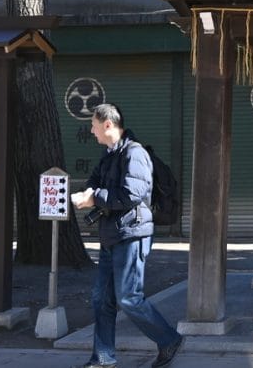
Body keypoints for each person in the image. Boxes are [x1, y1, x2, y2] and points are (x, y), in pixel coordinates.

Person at [71, 103, 184, 368]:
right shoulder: (110, 154)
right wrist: (87, 194)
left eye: (93, 125)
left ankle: (168, 339)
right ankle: (103, 357)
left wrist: (95, 197)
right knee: (102, 299)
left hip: (132, 234)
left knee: (128, 297)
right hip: (112, 235)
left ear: (107, 124)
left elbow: (132, 194)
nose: (91, 130)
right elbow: (94, 181)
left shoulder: (135, 153)